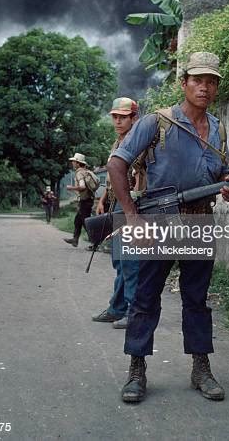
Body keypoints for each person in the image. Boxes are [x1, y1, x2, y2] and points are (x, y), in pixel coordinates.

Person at [107, 52, 229, 403]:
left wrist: (228, 185)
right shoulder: (157, 122)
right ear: (184, 83)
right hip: (159, 222)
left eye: (211, 81)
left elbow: (219, 173)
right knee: (145, 298)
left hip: (200, 222)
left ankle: (201, 368)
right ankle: (136, 370)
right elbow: (116, 164)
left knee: (197, 299)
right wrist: (132, 215)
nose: (205, 87)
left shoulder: (218, 128)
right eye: (198, 80)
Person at [92, 97, 143, 330]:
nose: (118, 121)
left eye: (123, 117)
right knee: (119, 261)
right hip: (115, 204)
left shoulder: (141, 143)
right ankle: (117, 308)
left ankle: (134, 311)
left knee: (131, 261)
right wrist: (102, 200)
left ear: (135, 118)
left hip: (132, 205)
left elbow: (144, 178)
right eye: (115, 116)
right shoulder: (117, 143)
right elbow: (112, 177)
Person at [63, 153, 96, 248]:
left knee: (86, 222)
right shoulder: (85, 171)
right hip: (87, 200)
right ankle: (75, 239)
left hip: (85, 201)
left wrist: (71, 188)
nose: (72, 163)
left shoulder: (79, 173)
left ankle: (95, 241)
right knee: (78, 220)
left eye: (74, 161)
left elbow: (82, 186)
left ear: (78, 163)